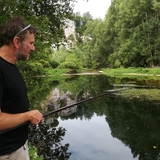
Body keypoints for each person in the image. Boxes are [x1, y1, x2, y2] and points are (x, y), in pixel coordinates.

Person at [0, 17, 43, 159]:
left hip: (18, 147)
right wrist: (28, 115)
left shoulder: (10, 66)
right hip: (7, 153)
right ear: (17, 42)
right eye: (30, 43)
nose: (33, 48)